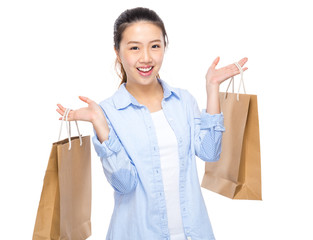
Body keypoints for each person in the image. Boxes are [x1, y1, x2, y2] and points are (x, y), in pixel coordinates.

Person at [56, 7, 248, 240]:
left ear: (164, 47)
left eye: (155, 46)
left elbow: (209, 152)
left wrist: (212, 89)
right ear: (118, 52)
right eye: (134, 47)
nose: (146, 57)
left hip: (193, 233)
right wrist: (100, 124)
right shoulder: (108, 112)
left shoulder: (183, 101)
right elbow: (124, 185)